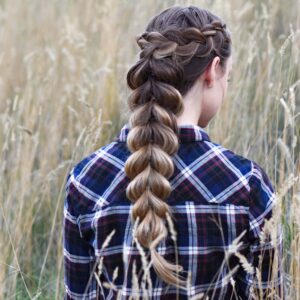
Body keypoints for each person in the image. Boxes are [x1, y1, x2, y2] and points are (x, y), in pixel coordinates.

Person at [62, 5, 284, 299]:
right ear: (213, 70)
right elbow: (269, 295)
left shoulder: (87, 179)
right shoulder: (247, 184)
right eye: (227, 78)